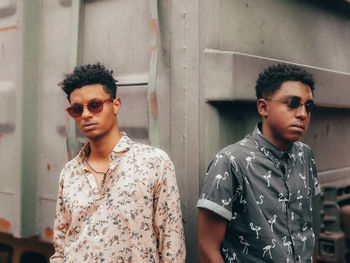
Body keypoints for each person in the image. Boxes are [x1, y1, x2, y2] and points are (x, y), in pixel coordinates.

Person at [50, 63, 186, 262]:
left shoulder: (154, 163)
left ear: (116, 105)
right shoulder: (69, 173)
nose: (86, 115)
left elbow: (172, 248)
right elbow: (60, 247)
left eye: (95, 105)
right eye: (77, 109)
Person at [197, 64, 320, 263]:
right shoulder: (230, 163)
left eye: (308, 106)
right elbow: (207, 247)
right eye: (292, 103)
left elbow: (307, 229)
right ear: (263, 107)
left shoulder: (305, 155)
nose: (303, 114)